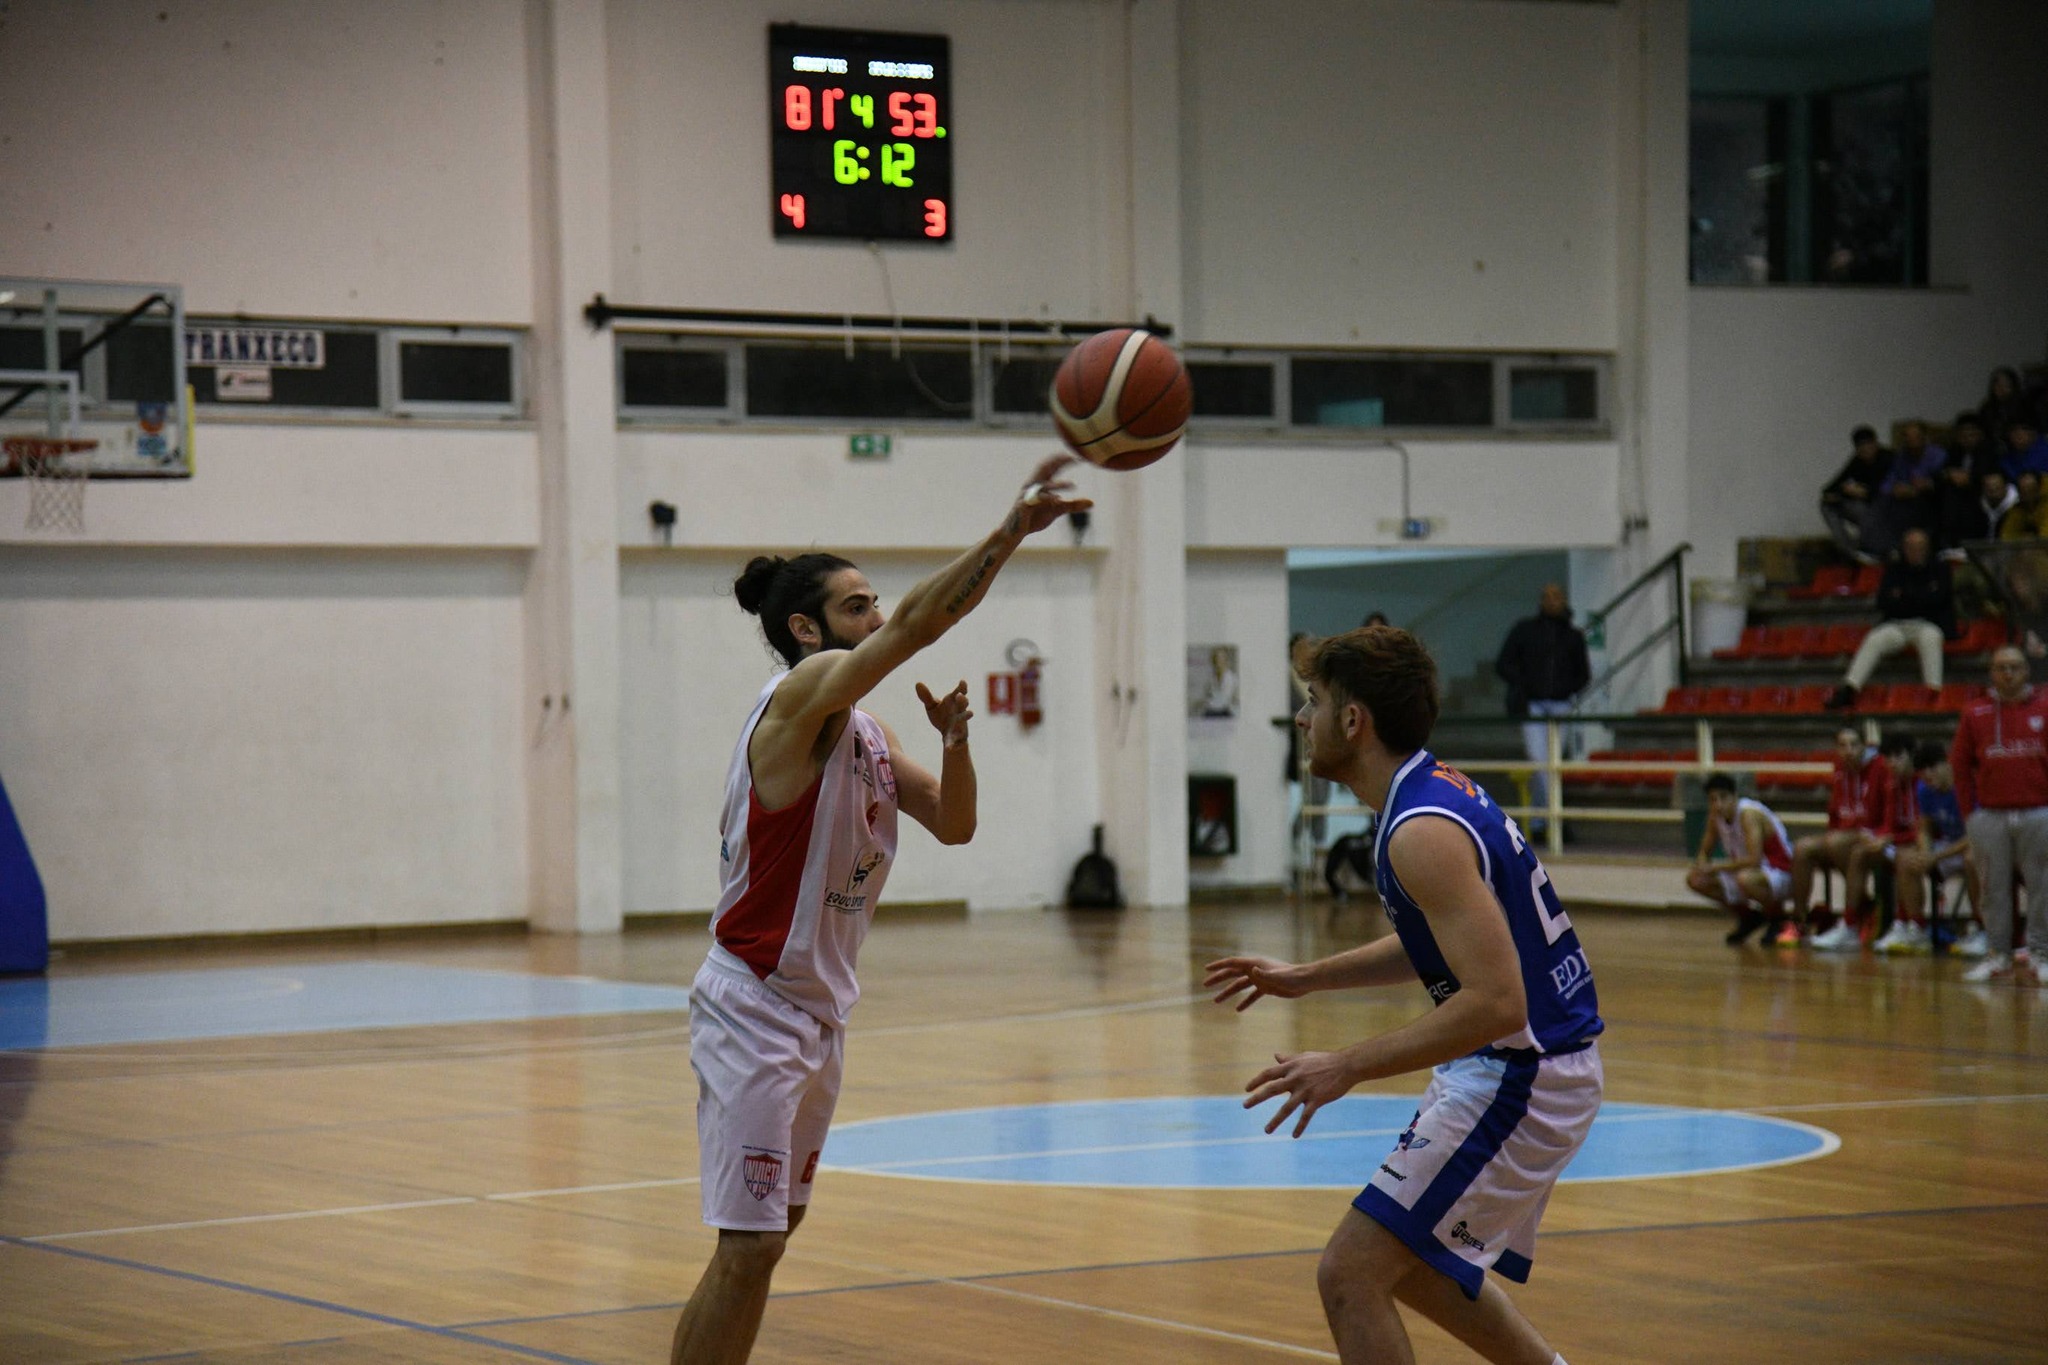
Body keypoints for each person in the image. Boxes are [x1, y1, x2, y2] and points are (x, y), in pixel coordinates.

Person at [670, 455, 1089, 1365]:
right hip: (754, 1005)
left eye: (873, 601)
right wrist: (1008, 532)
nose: (877, 617)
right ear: (805, 627)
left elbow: (956, 823)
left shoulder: (866, 732)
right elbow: (923, 625)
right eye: (856, 606)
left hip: (819, 1014)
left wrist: (957, 743)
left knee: (775, 1235)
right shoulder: (793, 705)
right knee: (748, 1247)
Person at [1205, 626, 1602, 1365]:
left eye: (1314, 702)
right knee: (1415, 1263)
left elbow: (1496, 1001)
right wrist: (1306, 975)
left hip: (1524, 1072)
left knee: (1350, 1271)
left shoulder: (1419, 831)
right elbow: (1442, 944)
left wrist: (1347, 1064)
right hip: (1519, 1064)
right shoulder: (1423, 794)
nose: (1302, 719)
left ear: (1353, 721)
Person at [1949, 644, 2048, 985]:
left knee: (2042, 886)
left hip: (2039, 812)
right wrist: (1969, 815)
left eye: (2015, 667)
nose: (2008, 674)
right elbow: (1960, 766)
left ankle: (2040, 953)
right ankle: (1997, 955)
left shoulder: (2046, 705)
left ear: (2027, 671)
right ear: (1992, 673)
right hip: (1989, 816)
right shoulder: (1975, 712)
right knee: (1992, 889)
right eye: (2001, 667)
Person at [1494, 583, 1590, 834]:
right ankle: (1557, 821)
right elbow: (1503, 663)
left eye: (1556, 597)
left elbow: (1584, 674)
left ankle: (1539, 821)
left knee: (1552, 763)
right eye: (1547, 597)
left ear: (1564, 601)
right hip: (1533, 704)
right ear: (1541, 601)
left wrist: (1567, 688)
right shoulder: (1525, 631)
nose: (1552, 601)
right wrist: (1525, 683)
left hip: (1561, 704)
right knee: (1540, 761)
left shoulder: (1573, 637)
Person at [1824, 528, 1956, 709]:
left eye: (1919, 547)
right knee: (1875, 638)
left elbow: (1940, 599)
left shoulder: (1940, 569)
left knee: (1931, 639)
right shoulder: (1894, 569)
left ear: (1927, 548)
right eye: (1910, 547)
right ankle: (1850, 688)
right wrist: (1921, 596)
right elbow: (1884, 601)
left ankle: (1933, 692)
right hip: (1896, 624)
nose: (1915, 552)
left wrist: (1904, 597)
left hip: (1928, 624)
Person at [1787, 726, 1891, 948]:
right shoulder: (1839, 770)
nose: (1849, 750)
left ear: (1864, 745)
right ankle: (1799, 920)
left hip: (1871, 833)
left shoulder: (1881, 767)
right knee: (1802, 848)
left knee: (1836, 842)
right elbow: (1835, 812)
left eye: (1854, 744)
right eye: (1843, 746)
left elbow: (1887, 812)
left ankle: (1858, 911)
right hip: (1843, 835)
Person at [1876, 742, 1984, 956]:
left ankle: (1980, 928)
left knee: (1973, 860)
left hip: (1974, 845)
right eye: (1923, 773)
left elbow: (1976, 836)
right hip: (1947, 846)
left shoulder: (1968, 786)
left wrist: (1936, 856)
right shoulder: (1924, 789)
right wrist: (1926, 852)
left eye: (1933, 770)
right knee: (1906, 859)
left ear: (1947, 764)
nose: (1928, 777)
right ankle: (1917, 928)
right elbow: (1924, 827)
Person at [1686, 774, 1795, 945]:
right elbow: (1704, 852)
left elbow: (1754, 860)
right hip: (1750, 872)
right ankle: (1749, 917)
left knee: (1745, 879)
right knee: (1696, 880)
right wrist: (1700, 864)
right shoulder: (1715, 817)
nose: (1718, 804)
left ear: (1734, 796)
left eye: (1723, 798)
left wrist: (1714, 868)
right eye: (1713, 800)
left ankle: (1778, 919)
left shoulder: (1748, 815)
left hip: (1781, 871)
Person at [1837, 732, 1921, 950]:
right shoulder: (1892, 784)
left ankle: (1912, 925)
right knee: (1860, 852)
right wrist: (1878, 837)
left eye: (1898, 757)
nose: (1892, 763)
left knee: (1904, 857)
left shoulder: (1923, 782)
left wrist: (1891, 838)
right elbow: (1890, 824)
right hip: (1902, 843)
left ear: (1911, 756)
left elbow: (1926, 830)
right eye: (1888, 758)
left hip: (1925, 845)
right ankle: (1849, 926)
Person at [1819, 425, 1894, 562]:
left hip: (1884, 509)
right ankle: (1849, 551)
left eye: (1868, 445)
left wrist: (1863, 492)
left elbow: (1885, 491)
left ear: (1875, 444)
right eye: (1861, 446)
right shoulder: (1857, 462)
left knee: (1864, 510)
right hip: (1865, 507)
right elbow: (1832, 487)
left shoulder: (1888, 459)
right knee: (1827, 505)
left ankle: (1873, 549)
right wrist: (1846, 492)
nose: (1865, 449)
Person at [1875, 419, 1945, 546]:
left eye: (1915, 436)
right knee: (1883, 502)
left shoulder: (1937, 455)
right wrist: (1894, 488)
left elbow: (1940, 480)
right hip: (1905, 497)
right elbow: (1890, 480)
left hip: (1931, 498)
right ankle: (1885, 547)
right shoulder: (1902, 456)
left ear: (1924, 437)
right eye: (1908, 436)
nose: (1911, 440)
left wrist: (1919, 488)